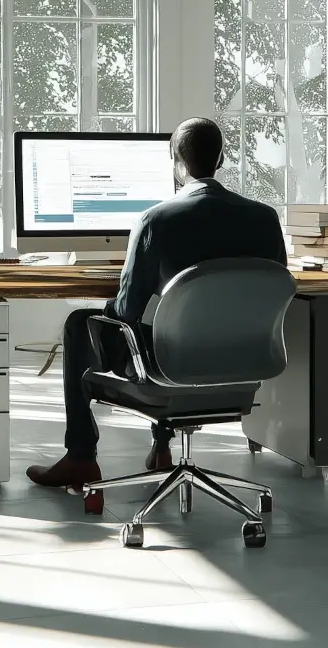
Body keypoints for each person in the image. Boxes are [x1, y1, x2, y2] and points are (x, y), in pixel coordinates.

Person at [25, 117, 287, 491]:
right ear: (222, 159)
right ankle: (162, 448)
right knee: (168, 325)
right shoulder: (266, 219)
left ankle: (81, 458)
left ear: (176, 162)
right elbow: (270, 287)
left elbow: (126, 311)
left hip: (172, 366)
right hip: (243, 367)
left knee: (83, 324)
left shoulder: (157, 221)